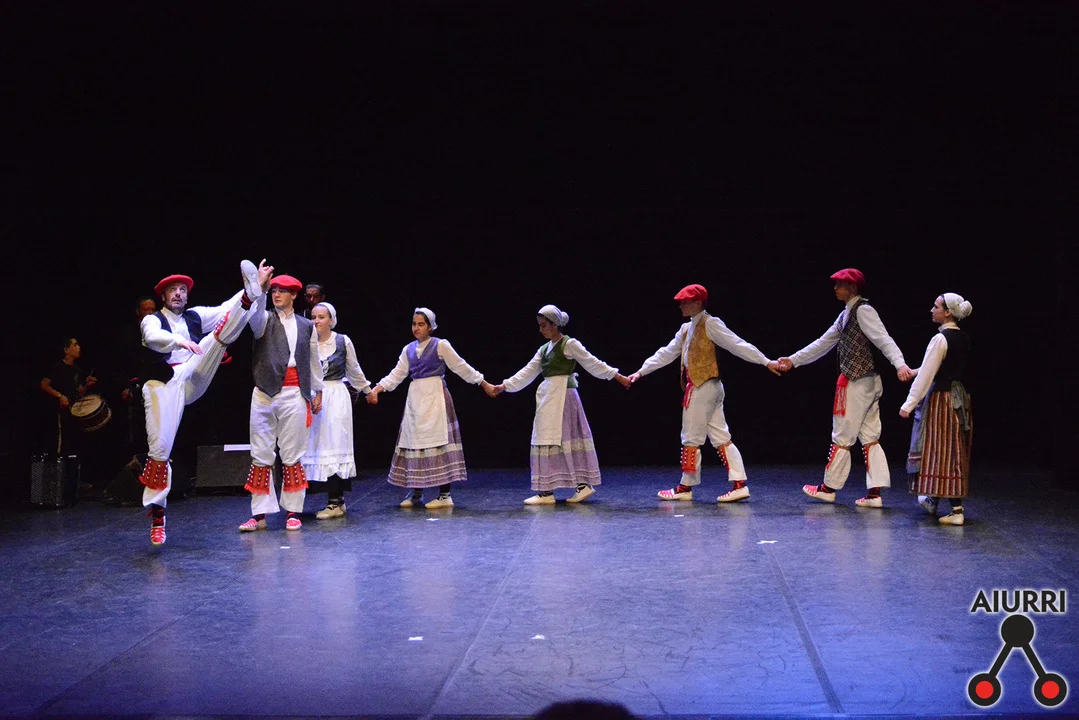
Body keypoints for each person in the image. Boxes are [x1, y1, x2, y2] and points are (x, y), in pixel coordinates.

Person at [139, 260, 268, 545]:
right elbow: (152, 338)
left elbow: (225, 308)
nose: (178, 294)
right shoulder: (153, 320)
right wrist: (180, 342)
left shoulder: (194, 316)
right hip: (162, 384)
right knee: (160, 448)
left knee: (218, 336)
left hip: (191, 374)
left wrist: (253, 286)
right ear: (163, 296)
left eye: (182, 290)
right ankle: (158, 515)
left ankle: (251, 294)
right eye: (173, 290)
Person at [628, 284, 779, 503]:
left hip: (703, 388)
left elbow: (737, 344)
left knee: (691, 437)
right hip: (707, 388)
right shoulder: (686, 329)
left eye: (685, 302)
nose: (681, 305)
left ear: (698, 303)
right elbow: (666, 353)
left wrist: (765, 361)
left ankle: (685, 487)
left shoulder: (710, 323)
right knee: (721, 437)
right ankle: (739, 484)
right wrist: (641, 371)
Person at [776, 268, 914, 507]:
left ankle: (828, 488)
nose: (835, 288)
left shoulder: (864, 310)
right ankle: (874, 494)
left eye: (839, 285)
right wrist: (794, 360)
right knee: (870, 436)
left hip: (858, 382)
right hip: (865, 382)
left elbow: (883, 339)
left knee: (842, 434)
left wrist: (900, 364)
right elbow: (823, 342)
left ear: (852, 287)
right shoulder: (845, 315)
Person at [491, 304, 631, 505]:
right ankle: (547, 491)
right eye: (539, 325)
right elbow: (528, 371)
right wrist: (504, 386)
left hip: (564, 396)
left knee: (567, 437)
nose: (540, 329)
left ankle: (581, 485)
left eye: (544, 325)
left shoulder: (569, 344)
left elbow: (592, 362)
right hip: (548, 397)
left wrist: (618, 376)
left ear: (555, 324)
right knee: (546, 439)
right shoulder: (544, 349)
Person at [367, 307, 492, 509]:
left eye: (421, 324)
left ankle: (445, 495)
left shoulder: (440, 345)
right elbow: (396, 374)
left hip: (435, 397)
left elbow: (461, 367)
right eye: (414, 324)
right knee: (415, 443)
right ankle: (417, 492)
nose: (416, 328)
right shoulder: (408, 349)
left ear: (430, 327)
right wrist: (377, 389)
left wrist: (482, 382)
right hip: (416, 399)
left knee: (438, 442)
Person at [240, 272, 324, 532]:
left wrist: (317, 391)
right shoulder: (264, 319)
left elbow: (313, 360)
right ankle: (259, 515)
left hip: (294, 392)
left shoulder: (306, 326)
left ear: (294, 295)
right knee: (261, 453)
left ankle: (293, 512)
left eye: (282, 291)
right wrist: (261, 289)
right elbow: (254, 315)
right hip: (264, 392)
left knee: (292, 453)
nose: (277, 294)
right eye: (274, 290)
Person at [900, 293, 974, 525]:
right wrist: (914, 371)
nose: (932, 310)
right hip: (957, 396)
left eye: (936, 307)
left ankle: (956, 510)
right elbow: (934, 366)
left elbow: (928, 374)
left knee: (942, 450)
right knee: (945, 449)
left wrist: (908, 404)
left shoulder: (940, 339)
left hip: (942, 399)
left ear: (947, 312)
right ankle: (933, 499)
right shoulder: (962, 337)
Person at [302, 302, 373, 519]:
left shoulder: (342, 341)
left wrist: (368, 390)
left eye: (321, 317)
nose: (316, 321)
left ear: (331, 320)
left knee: (335, 444)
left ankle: (336, 501)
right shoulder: (307, 343)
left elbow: (354, 370)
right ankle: (334, 500)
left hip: (335, 396)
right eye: (313, 317)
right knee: (317, 446)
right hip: (314, 397)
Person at [40, 337, 98, 456]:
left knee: (72, 446)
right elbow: (44, 384)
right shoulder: (58, 367)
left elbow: (80, 392)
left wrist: (87, 384)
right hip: (60, 413)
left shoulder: (77, 369)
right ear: (66, 350)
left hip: (73, 413)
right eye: (75, 345)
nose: (79, 347)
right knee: (60, 446)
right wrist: (60, 396)